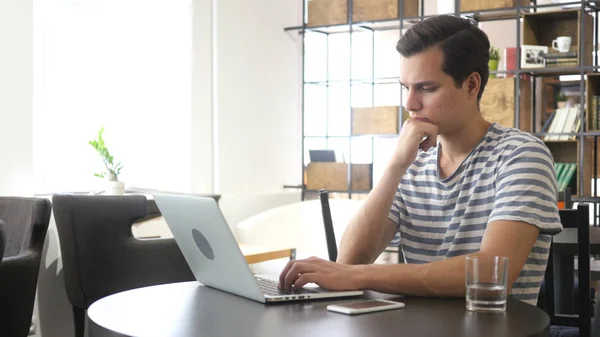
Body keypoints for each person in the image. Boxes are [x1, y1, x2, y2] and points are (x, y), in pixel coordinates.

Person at [279, 15, 562, 306]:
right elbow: (350, 261)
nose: (410, 104)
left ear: (471, 85)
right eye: (406, 87)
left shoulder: (522, 155)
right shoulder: (412, 162)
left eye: (426, 88)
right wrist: (394, 167)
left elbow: (491, 272)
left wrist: (363, 276)